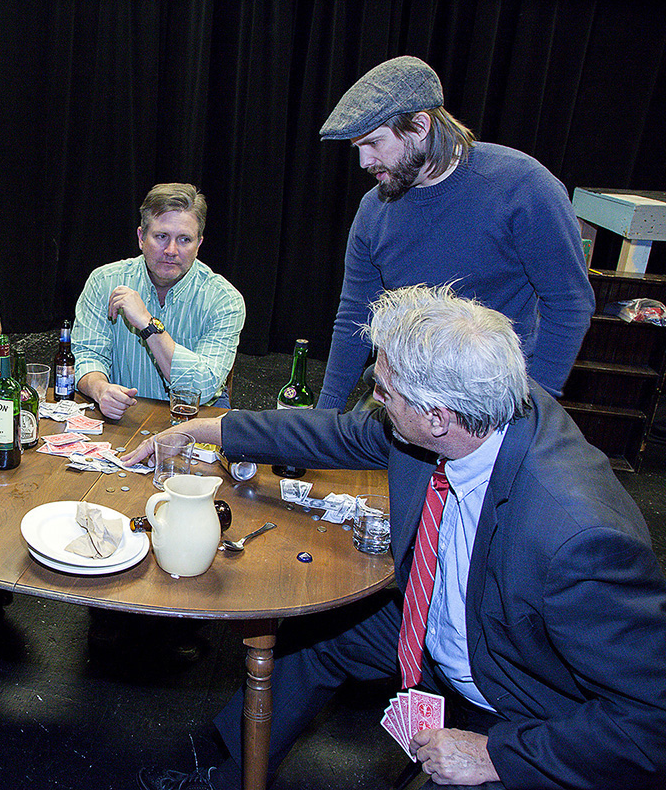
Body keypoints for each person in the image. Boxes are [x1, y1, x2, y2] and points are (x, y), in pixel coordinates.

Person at [128, 285, 666, 790]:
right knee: (313, 637)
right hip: (446, 619)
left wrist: (494, 754)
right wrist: (206, 429)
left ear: (437, 417)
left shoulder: (578, 538)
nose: (377, 403)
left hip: (522, 706)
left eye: (385, 394)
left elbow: (651, 721)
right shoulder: (478, 410)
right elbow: (338, 434)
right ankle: (229, 776)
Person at [316, 55, 594, 412]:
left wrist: (532, 409)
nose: (364, 162)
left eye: (373, 143)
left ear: (420, 126)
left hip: (489, 397)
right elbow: (356, 313)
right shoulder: (374, 209)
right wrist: (325, 413)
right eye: (358, 148)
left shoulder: (523, 187)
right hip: (402, 393)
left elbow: (569, 305)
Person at [72, 183, 245, 420]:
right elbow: (87, 355)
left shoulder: (224, 300)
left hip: (194, 419)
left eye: (184, 240)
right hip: (125, 416)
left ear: (199, 244)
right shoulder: (104, 281)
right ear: (141, 237)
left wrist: (148, 324)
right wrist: (100, 389)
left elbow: (202, 388)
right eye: (162, 237)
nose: (171, 250)